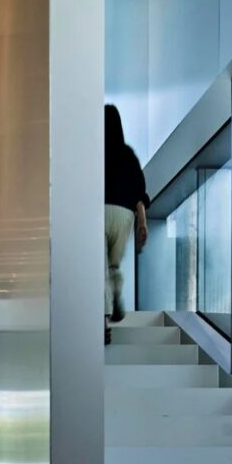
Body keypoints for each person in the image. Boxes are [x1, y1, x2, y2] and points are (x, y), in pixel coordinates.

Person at [104, 104, 150, 344]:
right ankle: (116, 291)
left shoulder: (95, 152)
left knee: (99, 270)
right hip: (124, 216)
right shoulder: (129, 155)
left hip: (99, 212)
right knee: (113, 265)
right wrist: (142, 223)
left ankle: (103, 324)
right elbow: (139, 194)